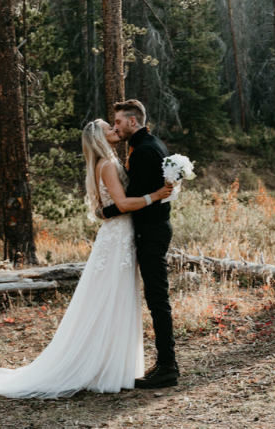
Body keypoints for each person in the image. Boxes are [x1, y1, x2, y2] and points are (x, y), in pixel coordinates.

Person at [0, 119, 172, 400]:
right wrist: (156, 196)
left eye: (115, 126)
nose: (115, 130)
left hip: (118, 235)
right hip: (118, 238)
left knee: (113, 298)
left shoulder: (105, 163)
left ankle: (112, 364)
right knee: (110, 299)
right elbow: (124, 205)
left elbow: (105, 207)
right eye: (109, 128)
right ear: (100, 138)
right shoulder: (109, 165)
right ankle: (100, 365)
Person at [98, 99, 179, 389]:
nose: (115, 126)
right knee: (156, 296)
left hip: (152, 230)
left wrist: (105, 211)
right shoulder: (152, 144)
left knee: (157, 298)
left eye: (118, 121)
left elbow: (135, 199)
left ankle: (168, 366)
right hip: (154, 227)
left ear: (133, 121)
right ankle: (165, 362)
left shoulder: (145, 151)